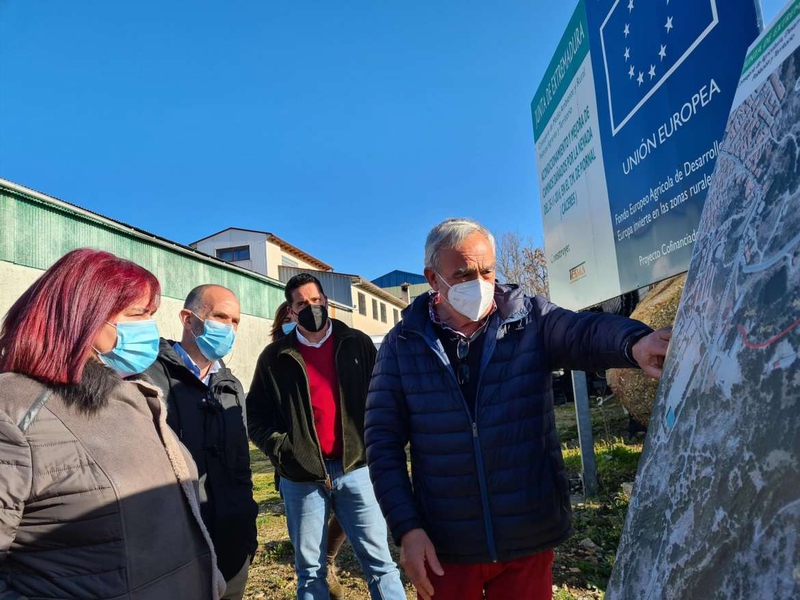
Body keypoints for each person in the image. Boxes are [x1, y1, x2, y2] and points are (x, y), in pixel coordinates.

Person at [365, 218, 672, 600]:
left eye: (487, 270)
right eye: (463, 273)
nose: (479, 282)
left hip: (527, 533)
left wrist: (635, 343)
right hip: (446, 544)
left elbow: (583, 333)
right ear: (432, 278)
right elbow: (382, 443)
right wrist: (407, 528)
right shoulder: (402, 345)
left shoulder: (529, 319)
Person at [0, 248, 225, 600]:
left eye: (151, 315)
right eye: (137, 314)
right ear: (81, 319)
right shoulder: (13, 409)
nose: (148, 328)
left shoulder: (134, 397)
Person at [248, 273, 406, 600]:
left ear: (327, 302)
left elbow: (384, 398)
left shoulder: (358, 344)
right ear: (290, 312)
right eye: (302, 304)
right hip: (301, 477)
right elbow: (257, 415)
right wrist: (283, 450)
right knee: (310, 571)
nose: (311, 308)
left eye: (316, 301)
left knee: (381, 564)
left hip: (356, 469)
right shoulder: (274, 358)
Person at [145, 285, 258, 600]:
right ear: (188, 319)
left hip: (231, 546)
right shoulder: (149, 377)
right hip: (173, 548)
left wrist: (247, 531)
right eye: (220, 317)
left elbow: (241, 467)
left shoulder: (231, 386)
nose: (230, 328)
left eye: (235, 321)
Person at [270, 300, 348, 600]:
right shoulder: (274, 361)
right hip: (296, 463)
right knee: (307, 541)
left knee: (349, 509)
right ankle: (317, 569)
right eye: (289, 318)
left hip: (339, 456)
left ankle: (326, 559)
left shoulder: (330, 354)